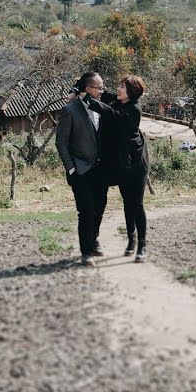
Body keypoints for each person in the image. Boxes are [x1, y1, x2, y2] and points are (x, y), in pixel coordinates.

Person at [79, 75, 150, 262]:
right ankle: (120, 240)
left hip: (135, 164)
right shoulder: (115, 99)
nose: (118, 89)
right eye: (119, 86)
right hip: (118, 163)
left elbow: (113, 115)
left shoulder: (133, 109)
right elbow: (96, 91)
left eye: (123, 87)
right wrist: (78, 92)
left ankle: (140, 244)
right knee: (116, 201)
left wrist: (87, 100)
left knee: (135, 205)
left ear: (132, 92)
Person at [56, 72, 109, 266]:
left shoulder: (103, 107)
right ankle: (86, 251)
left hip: (100, 171)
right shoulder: (69, 110)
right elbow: (61, 143)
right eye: (99, 88)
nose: (103, 91)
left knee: (100, 207)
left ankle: (93, 238)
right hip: (80, 170)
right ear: (88, 89)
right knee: (86, 211)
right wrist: (71, 169)